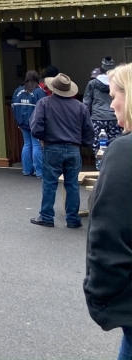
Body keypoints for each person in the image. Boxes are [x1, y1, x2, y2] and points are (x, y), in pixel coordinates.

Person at [84, 62, 132, 360]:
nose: (111, 102)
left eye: (115, 95)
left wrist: (101, 297)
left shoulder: (124, 151)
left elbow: (110, 232)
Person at [29, 72, 94, 229]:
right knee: (71, 184)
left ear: (52, 88)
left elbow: (36, 127)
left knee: (49, 184)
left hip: (52, 146)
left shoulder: (44, 103)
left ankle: (47, 217)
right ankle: (72, 219)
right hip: (73, 148)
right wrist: (83, 143)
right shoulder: (80, 107)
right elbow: (89, 130)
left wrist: (43, 137)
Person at [85, 57, 122, 171]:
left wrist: (86, 119)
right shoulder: (118, 83)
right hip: (114, 118)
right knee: (115, 144)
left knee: (98, 146)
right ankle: (113, 169)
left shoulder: (93, 83)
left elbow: (86, 102)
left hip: (97, 118)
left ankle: (100, 170)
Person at [12, 71, 46, 177]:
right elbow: (44, 108)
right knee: (37, 145)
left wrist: (18, 121)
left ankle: (27, 170)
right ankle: (39, 171)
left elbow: (14, 107)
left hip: (22, 122)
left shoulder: (18, 90)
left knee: (27, 144)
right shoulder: (38, 91)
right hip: (36, 123)